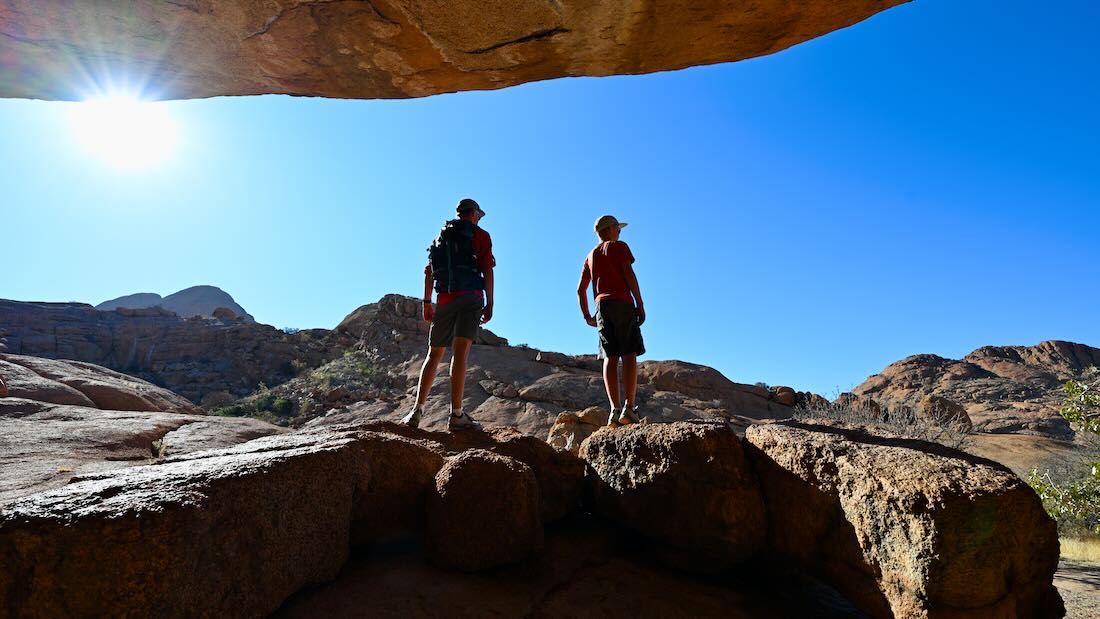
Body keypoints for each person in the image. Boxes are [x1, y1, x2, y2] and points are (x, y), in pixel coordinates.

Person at [402, 198, 495, 430]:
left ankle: (416, 411)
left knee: (434, 354)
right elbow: (487, 270)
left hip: (444, 299)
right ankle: (456, 415)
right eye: (479, 215)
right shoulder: (481, 236)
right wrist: (490, 302)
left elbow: (429, 272)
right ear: (472, 213)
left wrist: (427, 303)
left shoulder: (441, 237)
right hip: (471, 298)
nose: (479, 218)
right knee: (460, 353)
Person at [577, 214, 646, 426]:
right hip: (622, 303)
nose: (620, 232)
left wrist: (587, 315)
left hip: (602, 307)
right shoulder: (619, 247)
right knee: (629, 353)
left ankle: (614, 410)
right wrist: (640, 303)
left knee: (610, 356)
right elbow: (628, 272)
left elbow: (580, 290)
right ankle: (629, 408)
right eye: (618, 228)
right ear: (610, 229)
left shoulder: (591, 256)